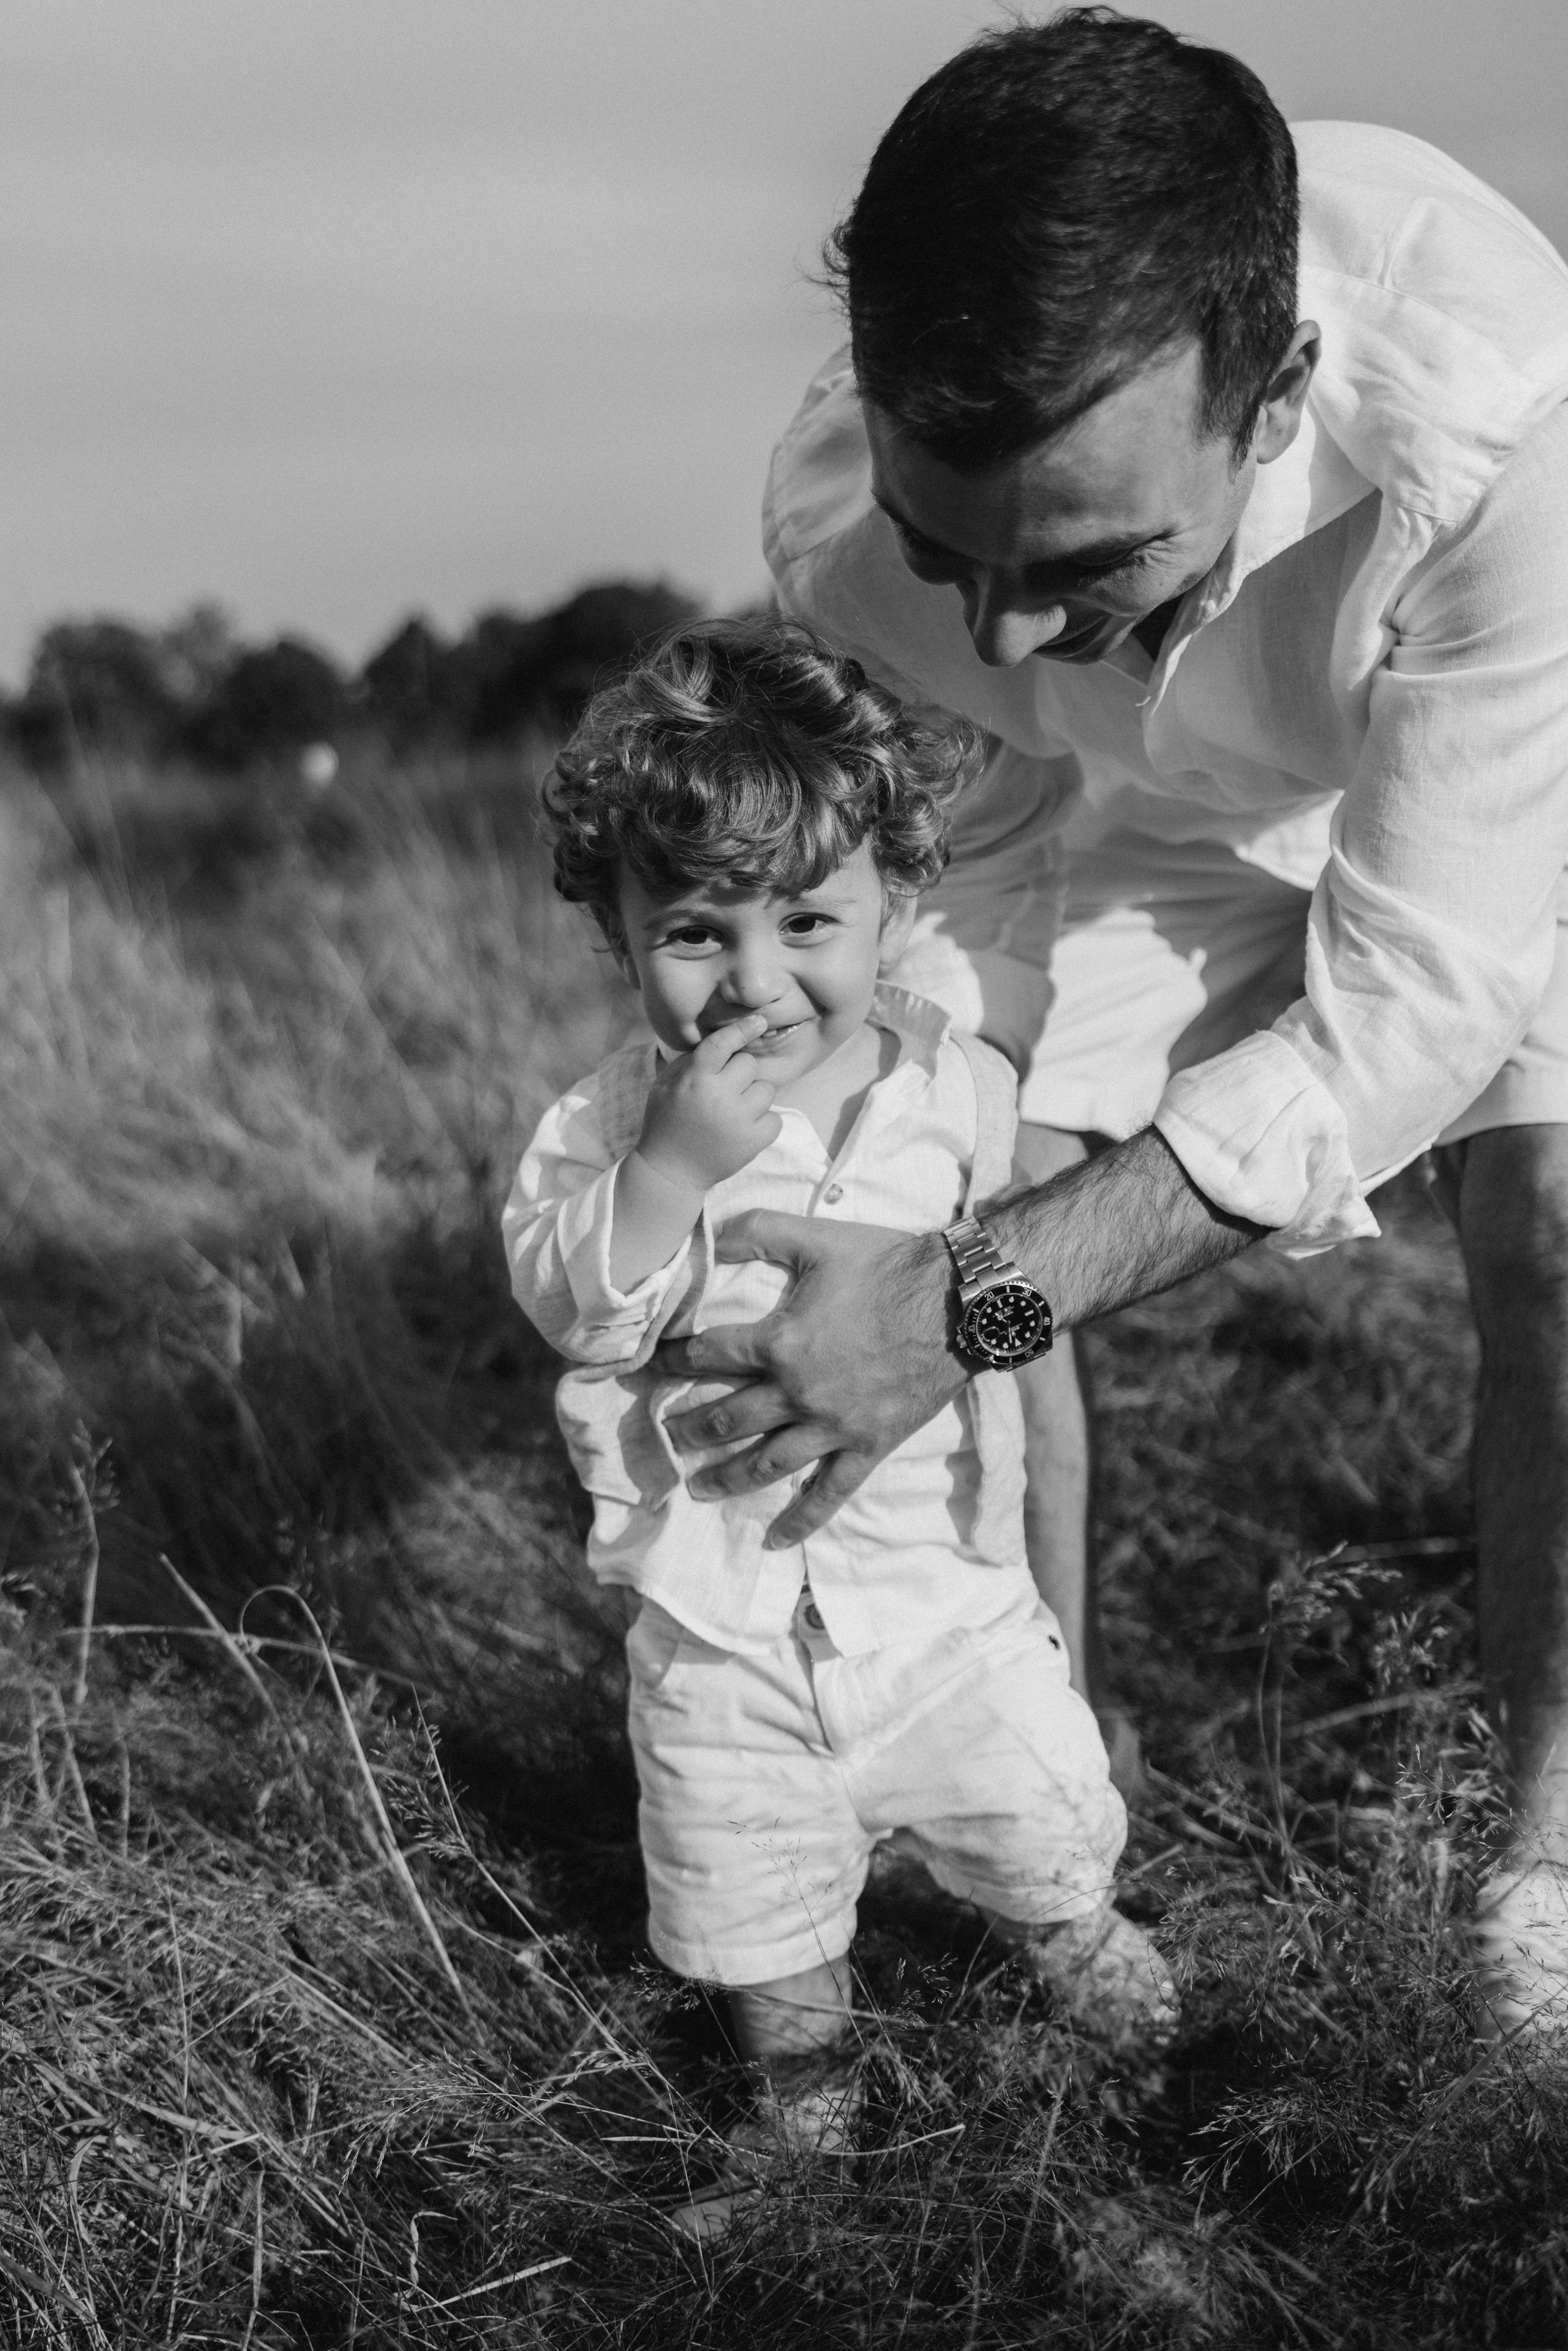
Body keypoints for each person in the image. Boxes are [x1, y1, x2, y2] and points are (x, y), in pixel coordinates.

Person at [644, 12, 1568, 2042]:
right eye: (948, 556)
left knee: (1554, 1231)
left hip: (1498, 764)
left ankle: (1551, 1860)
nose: (997, 625)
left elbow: (1411, 1011)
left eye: (1080, 558)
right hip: (1133, 807)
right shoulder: (845, 530)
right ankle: (1018, 1783)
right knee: (947, 1190)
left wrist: (963, 1306)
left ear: (1279, 397)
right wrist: (948, 1164)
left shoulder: (1519, 425)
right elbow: (976, 840)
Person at [503, 621, 1178, 2233]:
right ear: (614, 933)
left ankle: (1136, 2042)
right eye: (694, 932)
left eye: (808, 920)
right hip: (723, 1629)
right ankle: (808, 2139)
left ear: (897, 902)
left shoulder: (958, 1091)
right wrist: (669, 1172)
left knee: (1046, 1850)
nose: (756, 981)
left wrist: (979, 1339)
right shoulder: (606, 1133)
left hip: (945, 1599)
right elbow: (576, 1309)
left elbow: (1023, 1296)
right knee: (764, 1924)